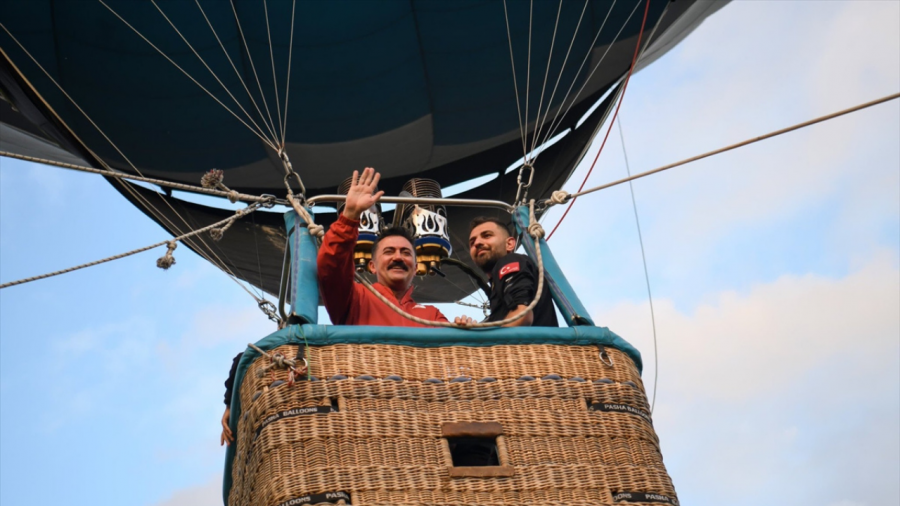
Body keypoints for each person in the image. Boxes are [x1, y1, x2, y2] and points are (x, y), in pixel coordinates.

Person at [317, 167, 456, 326]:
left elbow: (452, 345)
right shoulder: (354, 299)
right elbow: (331, 267)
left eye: (405, 252)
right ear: (372, 265)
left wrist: (464, 328)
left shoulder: (432, 315)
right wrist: (349, 217)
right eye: (389, 251)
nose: (398, 257)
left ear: (416, 267)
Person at [468, 216, 558, 327]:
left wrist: (482, 341)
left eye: (487, 235)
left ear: (509, 244)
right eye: (472, 242)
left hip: (529, 344)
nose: (477, 243)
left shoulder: (509, 261)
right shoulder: (497, 287)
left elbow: (522, 316)